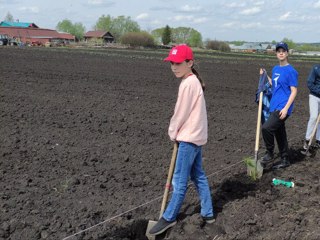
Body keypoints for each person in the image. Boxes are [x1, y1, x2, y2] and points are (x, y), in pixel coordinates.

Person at [149, 44, 215, 236]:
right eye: (171, 63)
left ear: (190, 63)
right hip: (196, 137)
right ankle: (208, 214)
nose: (174, 67)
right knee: (198, 176)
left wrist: (172, 132)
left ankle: (169, 217)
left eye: (178, 63)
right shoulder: (193, 81)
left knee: (179, 180)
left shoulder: (188, 84)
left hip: (188, 138)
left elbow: (180, 113)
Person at [260, 42, 298, 169]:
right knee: (280, 133)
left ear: (287, 53)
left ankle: (269, 153)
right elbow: (274, 85)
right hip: (274, 105)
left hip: (283, 107)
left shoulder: (291, 71)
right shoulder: (276, 69)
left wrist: (286, 108)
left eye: (283, 51)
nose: (281, 53)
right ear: (276, 54)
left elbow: (294, 91)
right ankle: (285, 159)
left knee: (266, 128)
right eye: (278, 51)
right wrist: (265, 76)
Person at [303, 64, 320, 149]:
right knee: (313, 117)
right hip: (314, 96)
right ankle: (307, 140)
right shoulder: (316, 68)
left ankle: (319, 140)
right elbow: (310, 83)